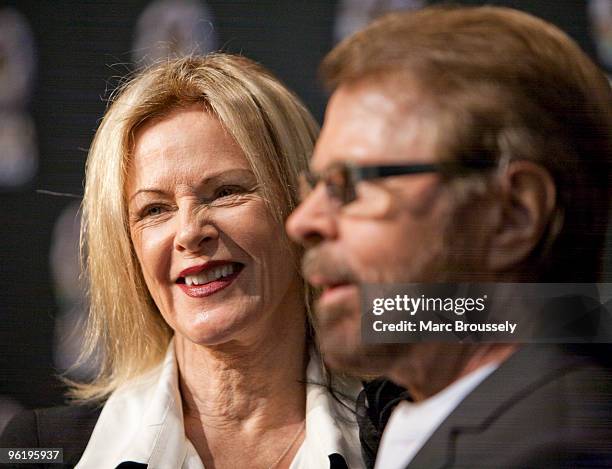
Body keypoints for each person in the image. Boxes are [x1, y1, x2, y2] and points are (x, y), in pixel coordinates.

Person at [1, 54, 364, 469]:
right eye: (154, 210)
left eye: (226, 191)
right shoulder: (39, 451)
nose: (190, 232)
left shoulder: (397, 434)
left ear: (302, 207)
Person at [287, 6, 612, 468]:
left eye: (353, 184)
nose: (302, 221)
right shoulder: (429, 418)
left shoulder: (550, 453)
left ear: (512, 214)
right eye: (316, 185)